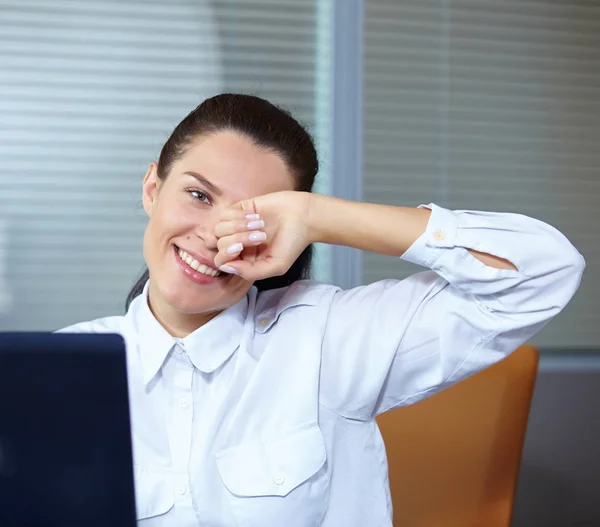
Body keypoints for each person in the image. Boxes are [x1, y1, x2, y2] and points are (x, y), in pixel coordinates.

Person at [59, 93, 585, 527]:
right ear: (153, 188)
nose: (215, 238)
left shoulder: (328, 338)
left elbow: (544, 273)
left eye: (251, 219)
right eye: (198, 195)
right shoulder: (59, 370)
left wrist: (318, 216)